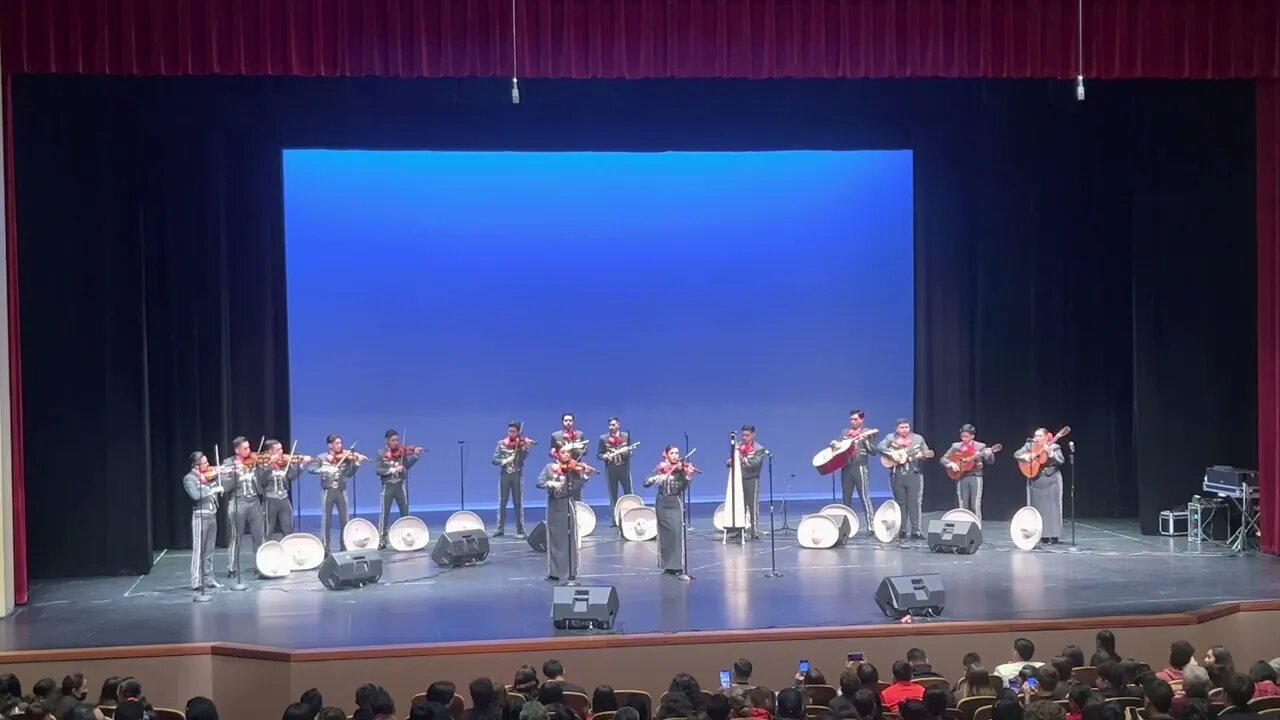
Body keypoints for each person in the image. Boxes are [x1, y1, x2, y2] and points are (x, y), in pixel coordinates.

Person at [538, 450, 598, 581]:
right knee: (554, 539)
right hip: (554, 505)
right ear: (558, 455)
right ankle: (555, 571)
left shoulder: (572, 470)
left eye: (569, 453)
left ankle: (571, 571)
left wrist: (584, 476)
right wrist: (552, 483)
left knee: (570, 539)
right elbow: (540, 482)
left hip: (568, 504)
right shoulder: (549, 468)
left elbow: (576, 489)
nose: (567, 455)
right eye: (564, 452)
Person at [306, 434, 367, 554]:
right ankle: (325, 548)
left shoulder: (345, 457)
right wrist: (324, 469)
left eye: (341, 443)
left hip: (341, 490)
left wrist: (358, 463)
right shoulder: (322, 457)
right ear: (330, 445)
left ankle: (344, 546)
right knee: (326, 521)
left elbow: (349, 474)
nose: (340, 446)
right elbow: (311, 469)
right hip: (328, 491)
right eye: (337, 443)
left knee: (345, 520)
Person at [645, 446, 699, 576]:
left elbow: (683, 488)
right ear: (666, 455)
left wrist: (687, 477)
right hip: (662, 502)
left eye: (677, 453)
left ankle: (677, 566)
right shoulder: (660, 468)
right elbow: (645, 483)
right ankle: (667, 566)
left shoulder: (681, 470)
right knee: (664, 536)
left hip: (675, 502)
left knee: (676, 533)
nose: (675, 456)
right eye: (672, 453)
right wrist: (654, 479)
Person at [877, 419, 932, 539]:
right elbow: (880, 447)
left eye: (907, 427)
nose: (905, 430)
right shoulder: (890, 437)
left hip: (914, 474)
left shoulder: (918, 439)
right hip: (897, 475)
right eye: (902, 427)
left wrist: (922, 455)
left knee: (915, 503)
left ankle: (916, 530)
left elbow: (926, 452)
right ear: (897, 429)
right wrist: (891, 453)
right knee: (900, 503)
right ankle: (901, 530)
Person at [223, 436, 266, 577]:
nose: (249, 450)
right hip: (238, 502)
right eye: (245, 448)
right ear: (237, 450)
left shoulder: (255, 461)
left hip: (254, 501)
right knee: (236, 537)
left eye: (249, 447)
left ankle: (261, 565)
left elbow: (263, 480)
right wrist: (235, 473)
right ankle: (231, 567)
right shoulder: (228, 463)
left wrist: (264, 467)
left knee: (259, 536)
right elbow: (226, 486)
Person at [1014, 428, 1065, 544]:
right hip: (1035, 479)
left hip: (1051, 479)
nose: (1037, 438)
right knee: (1036, 508)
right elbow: (1016, 454)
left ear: (1047, 437)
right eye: (1036, 436)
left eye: (1040, 436)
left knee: (1052, 507)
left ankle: (1053, 535)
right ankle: (1040, 534)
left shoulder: (1055, 446)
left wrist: (1051, 453)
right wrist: (1025, 456)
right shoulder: (1029, 445)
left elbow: (1060, 461)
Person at [184, 451, 225, 590]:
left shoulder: (209, 477)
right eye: (205, 463)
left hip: (212, 515)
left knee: (209, 550)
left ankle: (209, 579)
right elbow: (195, 496)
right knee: (198, 550)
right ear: (196, 465)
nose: (209, 465)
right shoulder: (189, 479)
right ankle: (196, 581)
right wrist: (212, 491)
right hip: (200, 517)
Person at [375, 429, 423, 547]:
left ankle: (407, 536)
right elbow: (378, 470)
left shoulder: (401, 452)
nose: (396, 443)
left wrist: (415, 456)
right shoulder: (381, 453)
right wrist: (393, 470)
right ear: (387, 440)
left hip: (399, 485)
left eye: (397, 440)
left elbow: (407, 465)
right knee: (384, 513)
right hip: (388, 485)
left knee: (405, 511)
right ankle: (382, 538)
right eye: (393, 440)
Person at [942, 424, 997, 522]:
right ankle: (962, 528)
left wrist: (989, 455)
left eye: (966, 437)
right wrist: (951, 464)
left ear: (972, 436)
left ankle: (976, 527)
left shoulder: (980, 446)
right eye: (962, 436)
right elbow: (943, 459)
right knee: (963, 504)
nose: (964, 439)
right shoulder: (956, 446)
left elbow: (990, 461)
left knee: (975, 504)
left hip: (975, 476)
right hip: (961, 476)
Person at [837, 410, 879, 531]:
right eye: (851, 419)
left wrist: (865, 440)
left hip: (860, 466)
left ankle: (871, 526)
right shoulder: (845, 432)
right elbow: (839, 447)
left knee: (864, 497)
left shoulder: (867, 433)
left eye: (855, 419)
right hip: (846, 467)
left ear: (862, 420)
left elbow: (874, 451)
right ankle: (845, 527)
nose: (853, 422)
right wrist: (835, 444)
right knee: (846, 498)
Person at [492, 422, 535, 538]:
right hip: (505, 475)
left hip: (517, 475)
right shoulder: (502, 444)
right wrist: (503, 461)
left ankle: (520, 529)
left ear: (518, 432)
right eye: (509, 431)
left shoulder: (520, 445)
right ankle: (500, 528)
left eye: (513, 432)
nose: (511, 434)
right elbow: (494, 459)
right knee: (502, 502)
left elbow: (523, 458)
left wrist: (527, 447)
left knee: (518, 503)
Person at [726, 425, 767, 539]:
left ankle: (754, 531)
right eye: (743, 435)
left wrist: (742, 459)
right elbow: (729, 459)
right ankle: (739, 530)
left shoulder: (759, 449)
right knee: (739, 505)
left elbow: (755, 463)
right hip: (739, 479)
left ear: (753, 435)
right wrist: (730, 461)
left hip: (752, 479)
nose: (745, 438)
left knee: (752, 506)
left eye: (747, 435)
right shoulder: (738, 446)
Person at [260, 440, 308, 539]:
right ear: (270, 451)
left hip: (284, 500)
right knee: (268, 531)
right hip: (270, 501)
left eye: (281, 449)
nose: (281, 451)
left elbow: (292, 476)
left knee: (288, 530)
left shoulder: (284, 462)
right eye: (278, 450)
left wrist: (302, 465)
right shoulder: (262, 464)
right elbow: (262, 481)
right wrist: (270, 465)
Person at [597, 418, 636, 526]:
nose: (611, 427)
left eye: (613, 425)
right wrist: (605, 456)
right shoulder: (603, 438)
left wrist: (627, 452)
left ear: (618, 425)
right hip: (611, 468)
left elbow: (630, 451)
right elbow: (599, 454)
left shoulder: (626, 436)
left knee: (628, 491)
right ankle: (615, 519)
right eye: (609, 425)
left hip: (624, 467)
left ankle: (631, 514)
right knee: (613, 494)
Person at [550, 413, 588, 499]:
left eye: (570, 421)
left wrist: (575, 448)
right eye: (566, 420)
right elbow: (552, 451)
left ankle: (577, 510)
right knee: (562, 492)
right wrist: (557, 455)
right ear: (562, 422)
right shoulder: (556, 436)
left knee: (577, 493)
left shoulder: (579, 434)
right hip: (562, 468)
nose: (568, 422)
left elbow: (585, 452)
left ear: (573, 422)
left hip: (576, 467)